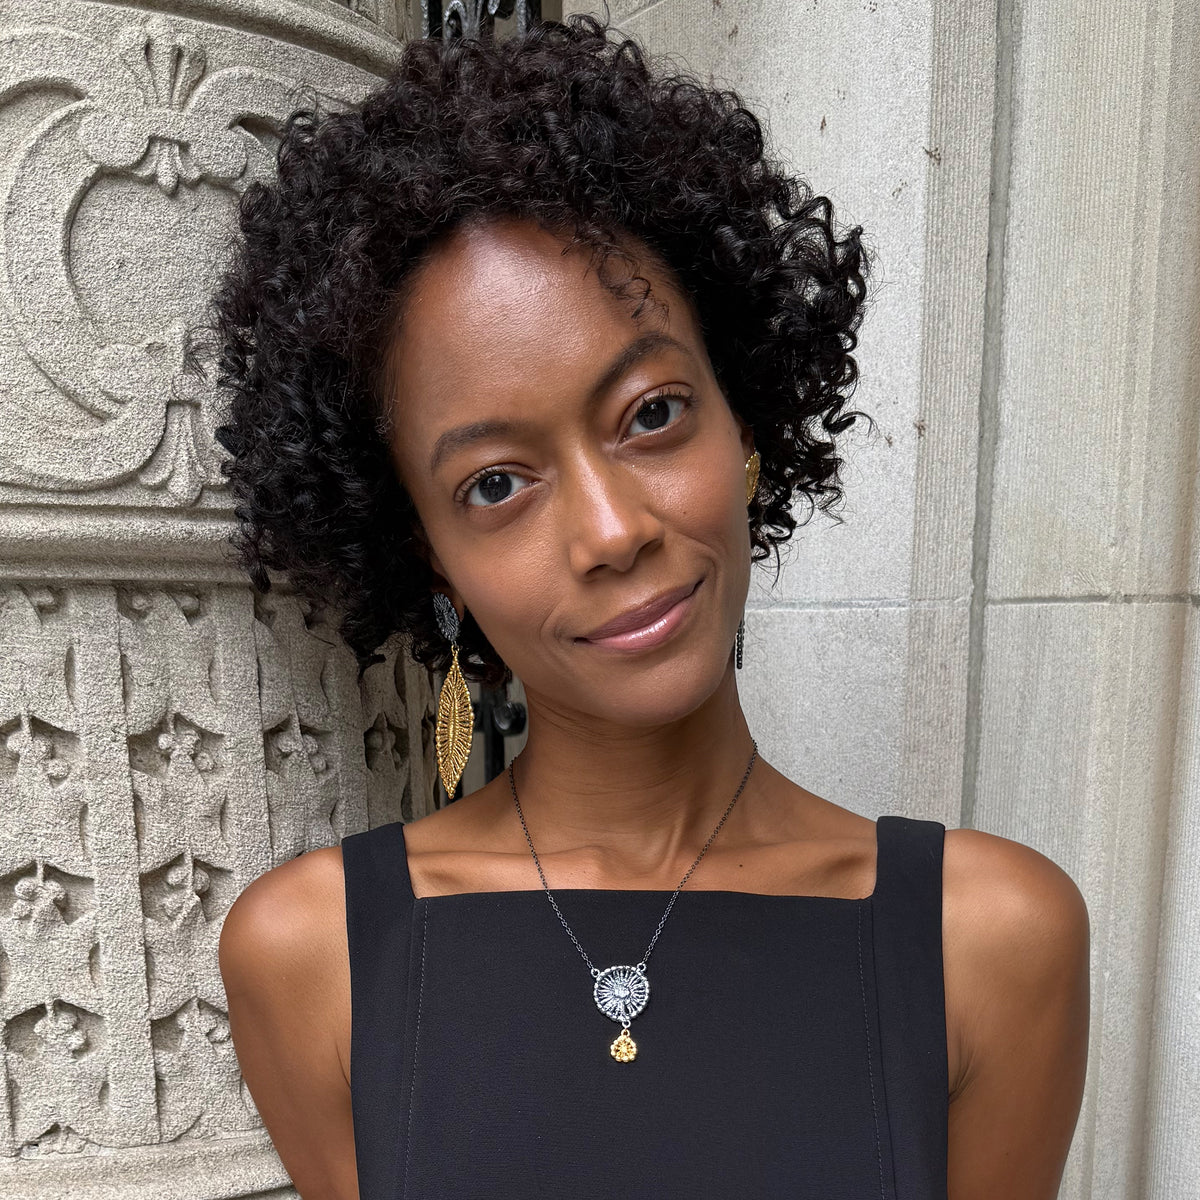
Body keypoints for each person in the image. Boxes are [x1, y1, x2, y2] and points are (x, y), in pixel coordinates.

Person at [206, 15, 1090, 1200]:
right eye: (498, 485)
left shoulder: (986, 941)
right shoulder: (314, 957)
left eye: (653, 414)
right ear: (429, 555)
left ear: (748, 427)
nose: (613, 530)